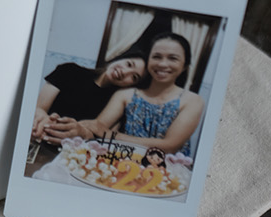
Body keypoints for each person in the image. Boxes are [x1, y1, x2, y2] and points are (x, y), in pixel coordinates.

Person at [50, 33, 204, 155]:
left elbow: (170, 147)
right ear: (149, 60)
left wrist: (109, 135)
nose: (163, 64)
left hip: (168, 174)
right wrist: (75, 128)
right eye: (156, 57)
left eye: (173, 58)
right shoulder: (126, 94)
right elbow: (95, 128)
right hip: (122, 165)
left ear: (184, 67)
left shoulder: (192, 101)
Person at [31, 53, 145, 143]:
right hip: (39, 136)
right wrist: (43, 120)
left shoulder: (117, 104)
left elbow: (99, 138)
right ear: (119, 58)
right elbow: (40, 108)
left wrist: (81, 133)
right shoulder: (68, 70)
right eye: (129, 64)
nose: (125, 72)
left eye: (134, 77)